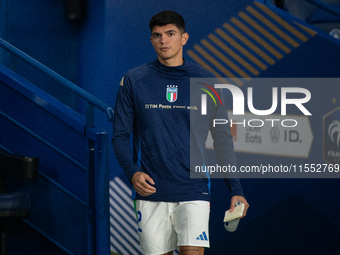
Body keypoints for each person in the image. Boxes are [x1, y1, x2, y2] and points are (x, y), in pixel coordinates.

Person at [112, 10, 249, 255]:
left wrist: (236, 189)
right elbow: (120, 135)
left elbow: (222, 139)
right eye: (157, 35)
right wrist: (132, 173)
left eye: (170, 34)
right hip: (151, 190)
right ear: (151, 40)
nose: (164, 40)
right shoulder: (134, 79)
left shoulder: (207, 81)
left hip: (193, 188)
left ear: (184, 38)